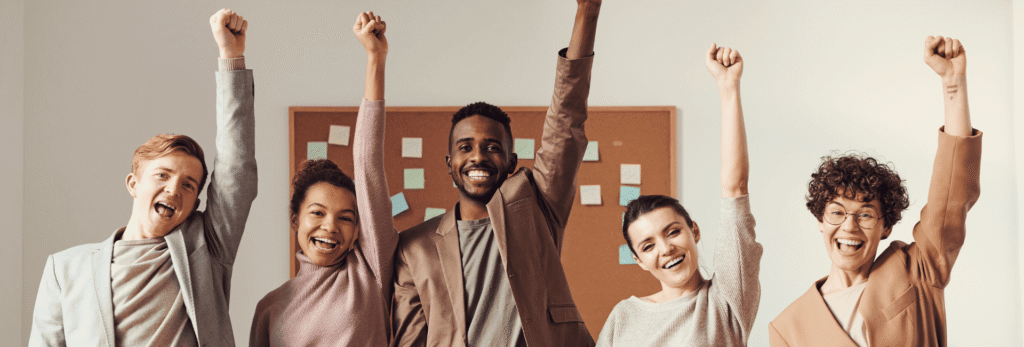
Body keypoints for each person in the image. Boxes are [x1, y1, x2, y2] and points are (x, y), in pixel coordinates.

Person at [28, 8, 256, 346]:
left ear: (196, 202)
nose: (174, 189)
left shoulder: (206, 249)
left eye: (189, 185)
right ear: (134, 184)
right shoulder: (65, 269)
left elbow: (236, 167)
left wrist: (231, 57)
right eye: (162, 175)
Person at [390, 1, 602, 346]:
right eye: (465, 147)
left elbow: (566, 121)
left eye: (492, 147)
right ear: (449, 164)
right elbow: (410, 340)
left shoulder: (536, 206)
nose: (478, 157)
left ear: (510, 162)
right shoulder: (414, 247)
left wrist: (587, 13)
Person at [769, 36, 982, 346]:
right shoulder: (788, 328)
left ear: (886, 226)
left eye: (865, 214)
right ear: (820, 220)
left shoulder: (916, 271)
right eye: (837, 212)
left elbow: (951, 198)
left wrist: (953, 85)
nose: (849, 226)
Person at [595, 44, 762, 346]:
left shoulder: (725, 301)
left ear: (693, 231)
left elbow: (735, 189)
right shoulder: (623, 316)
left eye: (672, 232)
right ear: (639, 261)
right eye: (648, 246)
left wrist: (728, 88)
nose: (666, 248)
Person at [248, 11, 397, 346]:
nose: (330, 227)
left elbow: (367, 162)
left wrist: (376, 58)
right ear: (295, 219)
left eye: (346, 218)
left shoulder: (369, 271)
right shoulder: (269, 309)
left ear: (359, 229)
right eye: (317, 213)